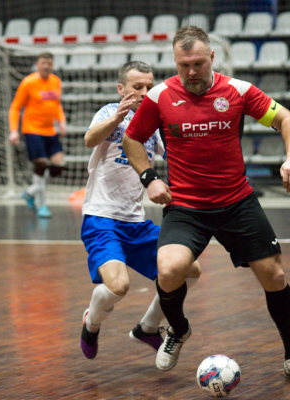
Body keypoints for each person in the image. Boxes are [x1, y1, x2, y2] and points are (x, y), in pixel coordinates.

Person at [122, 27, 290, 383]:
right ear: (175, 62)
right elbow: (132, 137)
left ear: (212, 57)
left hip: (236, 202)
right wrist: (149, 178)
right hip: (186, 207)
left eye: (198, 63)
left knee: (274, 276)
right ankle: (178, 330)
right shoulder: (160, 96)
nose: (191, 71)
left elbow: (285, 119)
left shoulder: (238, 91)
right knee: (169, 270)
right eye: (184, 65)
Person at [80, 60, 201, 361]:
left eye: (150, 86)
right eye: (138, 87)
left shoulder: (153, 125)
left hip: (136, 222)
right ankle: (91, 323)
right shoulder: (109, 112)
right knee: (119, 286)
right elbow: (89, 139)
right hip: (101, 219)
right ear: (121, 89)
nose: (145, 92)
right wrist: (117, 118)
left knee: (190, 271)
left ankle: (147, 327)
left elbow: (176, 155)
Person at [9, 52, 67, 218]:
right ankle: (42, 206)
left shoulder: (56, 81)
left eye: (49, 63)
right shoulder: (28, 82)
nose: (46, 66)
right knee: (41, 167)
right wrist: (14, 130)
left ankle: (29, 192)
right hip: (32, 130)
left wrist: (62, 121)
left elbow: (56, 104)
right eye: (43, 63)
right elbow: (15, 107)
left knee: (58, 166)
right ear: (37, 64)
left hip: (50, 131)